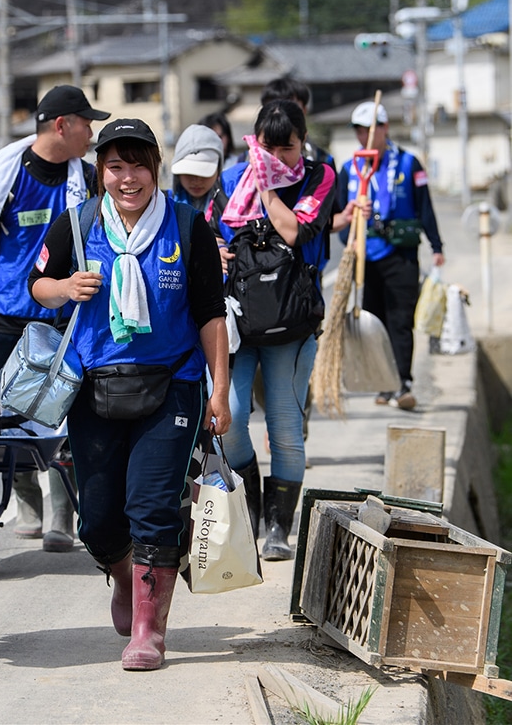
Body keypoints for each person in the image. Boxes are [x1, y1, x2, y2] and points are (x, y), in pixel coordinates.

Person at [29, 118, 230, 671]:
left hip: (173, 385)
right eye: (114, 166)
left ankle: (148, 629)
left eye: (137, 165)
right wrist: (66, 288)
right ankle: (121, 577)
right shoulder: (77, 223)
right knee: (97, 520)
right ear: (100, 171)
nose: (127, 178)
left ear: (155, 168)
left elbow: (212, 315)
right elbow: (37, 283)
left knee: (153, 506)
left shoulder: (187, 228)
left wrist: (221, 392)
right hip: (93, 387)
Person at [0, 85, 110, 549]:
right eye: (86, 123)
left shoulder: (85, 175)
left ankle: (63, 512)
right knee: (14, 413)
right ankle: (28, 502)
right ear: (61, 125)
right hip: (5, 313)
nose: (91, 131)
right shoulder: (4, 174)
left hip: (64, 311)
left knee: (66, 412)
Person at [214, 100, 337, 560]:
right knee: (232, 419)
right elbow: (213, 233)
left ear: (302, 143)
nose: (278, 158)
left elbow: (295, 233)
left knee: (285, 423)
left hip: (293, 320)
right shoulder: (229, 180)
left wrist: (267, 192)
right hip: (239, 321)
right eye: (268, 147)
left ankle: (278, 528)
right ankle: (252, 509)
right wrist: (215, 248)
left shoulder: (319, 176)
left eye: (287, 148)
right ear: (255, 143)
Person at [333, 101, 445, 410]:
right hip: (365, 258)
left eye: (369, 128)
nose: (364, 135)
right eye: (358, 129)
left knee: (399, 319)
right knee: (373, 318)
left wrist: (436, 246)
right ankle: (382, 383)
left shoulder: (409, 164)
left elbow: (425, 207)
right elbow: (341, 215)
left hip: (401, 253)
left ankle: (403, 382)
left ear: (384, 128)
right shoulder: (349, 168)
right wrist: (349, 240)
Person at [168, 123, 225, 227]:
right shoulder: (163, 206)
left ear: (218, 168)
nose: (197, 181)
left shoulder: (234, 204)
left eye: (204, 173)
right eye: (189, 173)